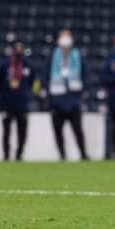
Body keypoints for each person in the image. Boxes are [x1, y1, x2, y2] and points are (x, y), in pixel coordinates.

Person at [0, 41, 38, 161]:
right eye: (16, 47)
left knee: (22, 131)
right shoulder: (4, 65)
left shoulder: (28, 65)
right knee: (6, 131)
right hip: (7, 102)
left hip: (22, 103)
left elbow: (33, 82)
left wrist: (27, 94)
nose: (18, 50)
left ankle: (19, 155)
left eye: (20, 47)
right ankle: (6, 155)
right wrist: (3, 94)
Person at [47, 29, 88, 160]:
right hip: (57, 99)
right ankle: (62, 156)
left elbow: (86, 75)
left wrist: (83, 91)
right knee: (58, 131)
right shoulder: (52, 55)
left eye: (67, 36)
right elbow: (45, 76)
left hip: (73, 98)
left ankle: (83, 154)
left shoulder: (78, 55)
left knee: (78, 130)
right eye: (62, 36)